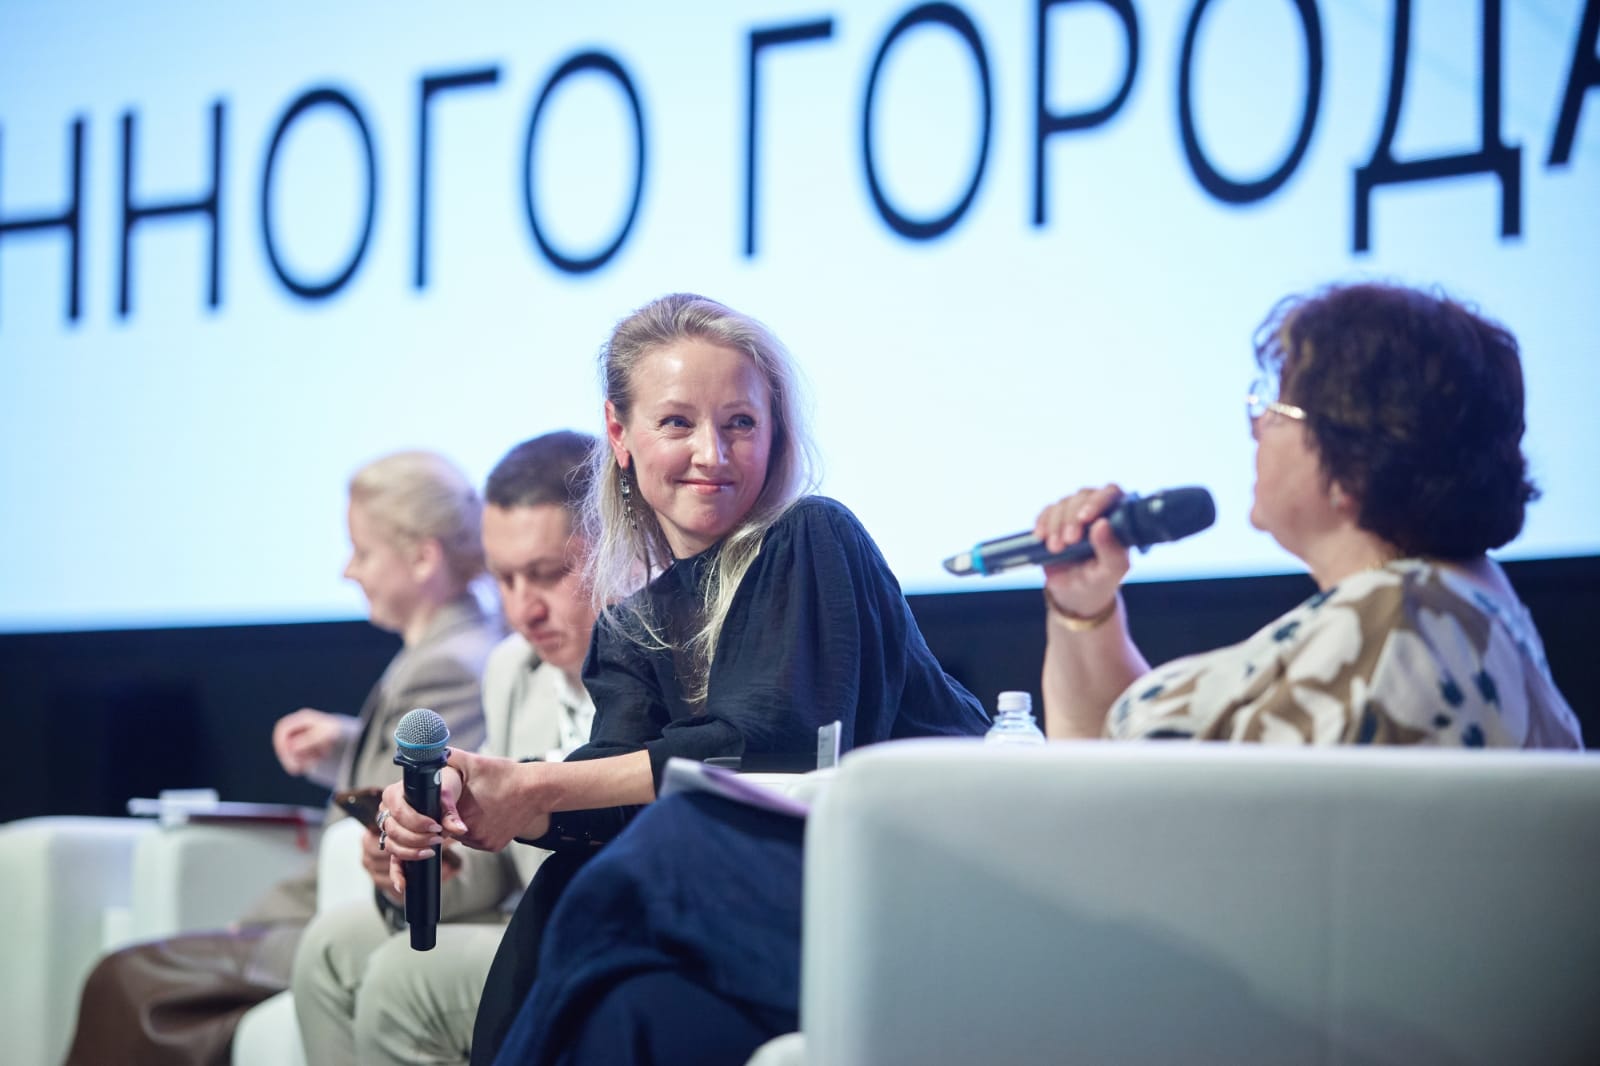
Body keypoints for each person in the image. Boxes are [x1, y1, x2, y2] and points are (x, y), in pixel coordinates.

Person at [376, 293, 990, 1064]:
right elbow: (608, 797)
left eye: (741, 424)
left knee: (664, 845)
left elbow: (773, 745)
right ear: (619, 434)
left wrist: (537, 785)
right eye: (677, 423)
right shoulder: (633, 626)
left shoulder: (811, 537)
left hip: (925, 886)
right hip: (761, 920)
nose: (714, 454)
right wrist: (478, 795)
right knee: (617, 983)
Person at [64, 450, 500, 1066]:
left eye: (363, 552)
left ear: (423, 557)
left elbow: (413, 803)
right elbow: (413, 771)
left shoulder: (448, 665)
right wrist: (346, 744)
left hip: (345, 912)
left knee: (124, 980)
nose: (348, 570)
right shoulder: (445, 654)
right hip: (322, 906)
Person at [1034, 281, 1581, 745]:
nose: (1257, 428)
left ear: (1354, 466)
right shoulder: (1462, 608)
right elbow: (1115, 767)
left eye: (1279, 409)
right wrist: (1084, 610)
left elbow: (1132, 787)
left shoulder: (1390, 626)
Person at [291, 431, 601, 1066]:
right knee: (331, 946)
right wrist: (416, 862)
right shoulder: (512, 669)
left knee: (404, 980)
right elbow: (494, 863)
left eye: (547, 575)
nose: (523, 609)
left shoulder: (655, 666)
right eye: (505, 580)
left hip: (595, 932)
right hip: (527, 917)